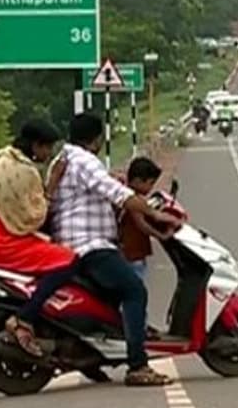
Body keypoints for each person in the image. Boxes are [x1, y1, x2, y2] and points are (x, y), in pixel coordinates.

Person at [47, 113, 183, 387]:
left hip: (75, 244)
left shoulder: (64, 159)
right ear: (96, 139)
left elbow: (106, 186)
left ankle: (94, 357)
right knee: (134, 290)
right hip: (89, 245)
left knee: (108, 300)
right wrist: (158, 216)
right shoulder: (84, 161)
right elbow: (118, 195)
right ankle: (137, 365)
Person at [0, 121, 77, 357]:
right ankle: (25, 317)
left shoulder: (2, 156)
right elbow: (34, 216)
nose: (48, 155)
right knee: (67, 260)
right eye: (47, 149)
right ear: (36, 146)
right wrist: (52, 185)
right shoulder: (25, 171)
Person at [118, 157, 168, 339]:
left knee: (138, 293)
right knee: (136, 294)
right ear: (138, 181)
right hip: (131, 254)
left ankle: (141, 325)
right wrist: (160, 235)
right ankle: (137, 329)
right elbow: (141, 224)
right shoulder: (132, 200)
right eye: (150, 183)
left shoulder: (129, 196)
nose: (151, 188)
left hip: (134, 253)